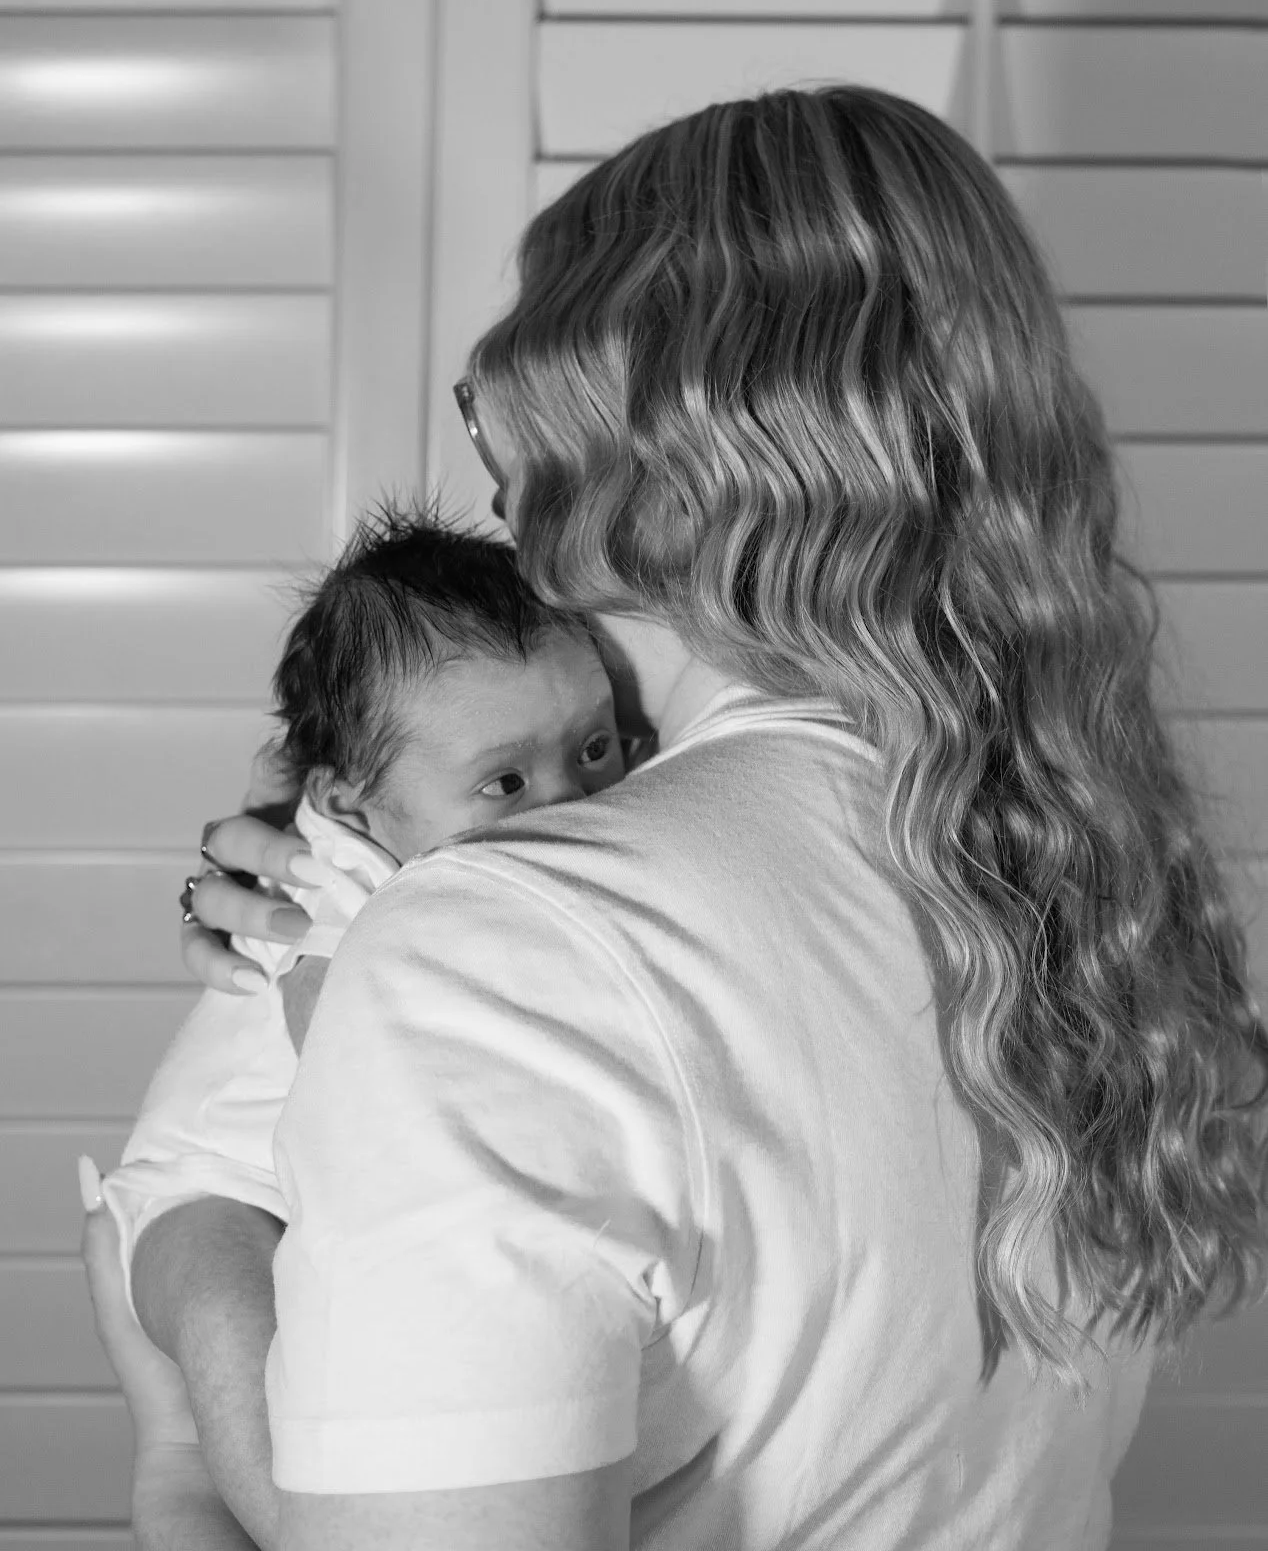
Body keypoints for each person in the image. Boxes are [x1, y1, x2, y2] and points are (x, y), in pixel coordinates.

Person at [85, 86, 1268, 1551]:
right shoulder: (1076, 881)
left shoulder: (513, 946)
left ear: (634, 441)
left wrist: (187, 1265)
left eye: (502, 400)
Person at [95, 506, 625, 1546]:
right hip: (207, 1195)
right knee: (237, 1382)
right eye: (505, 781)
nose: (568, 803)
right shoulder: (331, 878)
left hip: (321, 1194)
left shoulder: (491, 828)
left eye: (597, 747)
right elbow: (354, 1040)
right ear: (354, 802)